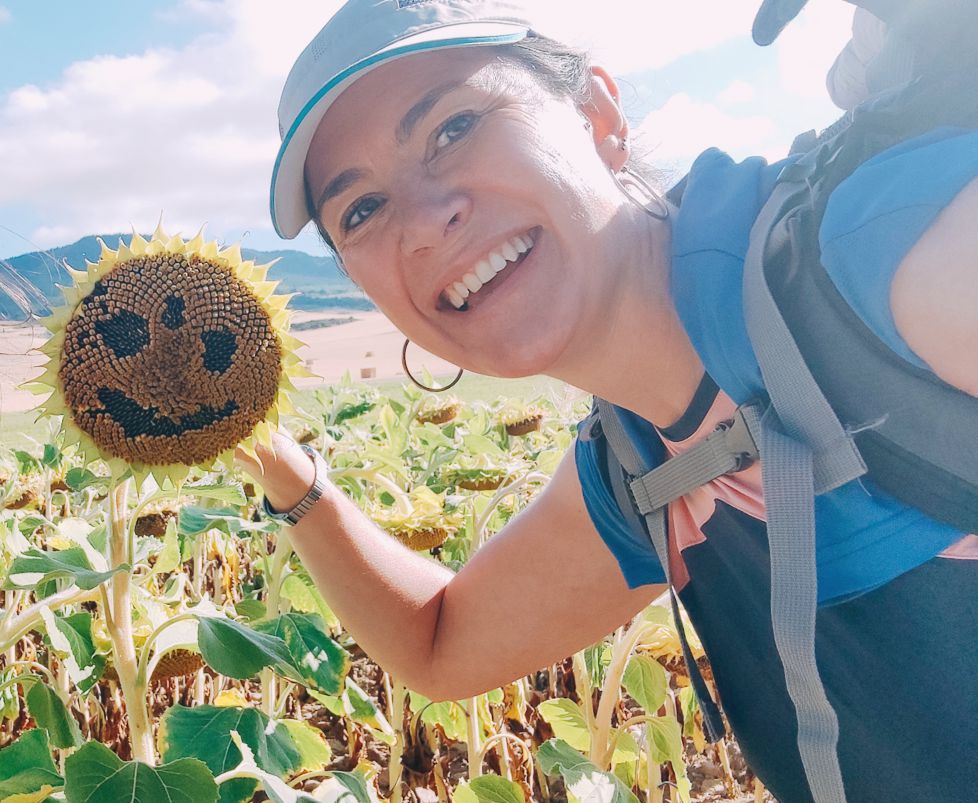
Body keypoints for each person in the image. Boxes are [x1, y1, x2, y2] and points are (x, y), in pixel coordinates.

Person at [238, 1, 978, 800]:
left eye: (454, 128)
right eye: (362, 210)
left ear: (598, 116)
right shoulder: (649, 466)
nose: (423, 223)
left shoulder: (884, 267)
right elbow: (439, 644)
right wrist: (272, 457)